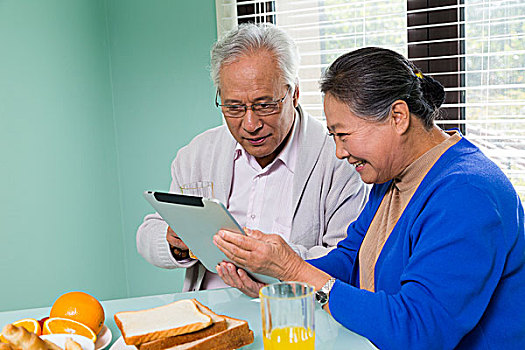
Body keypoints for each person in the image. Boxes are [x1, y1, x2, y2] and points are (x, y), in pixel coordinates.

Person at [213, 47, 525, 349]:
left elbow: (418, 331)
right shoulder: (393, 177)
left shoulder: (467, 194)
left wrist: (294, 270)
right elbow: (351, 261)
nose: (340, 152)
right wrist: (280, 279)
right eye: (333, 137)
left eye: (344, 135)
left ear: (398, 117)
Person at [136, 23, 369, 292]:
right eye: (234, 107)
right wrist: (176, 243)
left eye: (264, 105)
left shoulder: (339, 158)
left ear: (293, 94)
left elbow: (347, 260)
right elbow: (148, 233)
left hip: (295, 311)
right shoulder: (196, 154)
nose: (250, 124)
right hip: (211, 312)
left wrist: (277, 263)